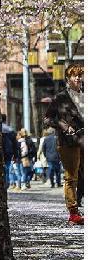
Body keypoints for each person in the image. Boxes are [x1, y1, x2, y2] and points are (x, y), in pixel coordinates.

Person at [45, 64, 84, 225]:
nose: (78, 78)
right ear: (68, 78)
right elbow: (47, 119)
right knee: (71, 177)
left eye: (80, 75)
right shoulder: (60, 97)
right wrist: (63, 125)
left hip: (84, 140)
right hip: (68, 142)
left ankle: (78, 204)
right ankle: (73, 212)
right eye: (74, 75)